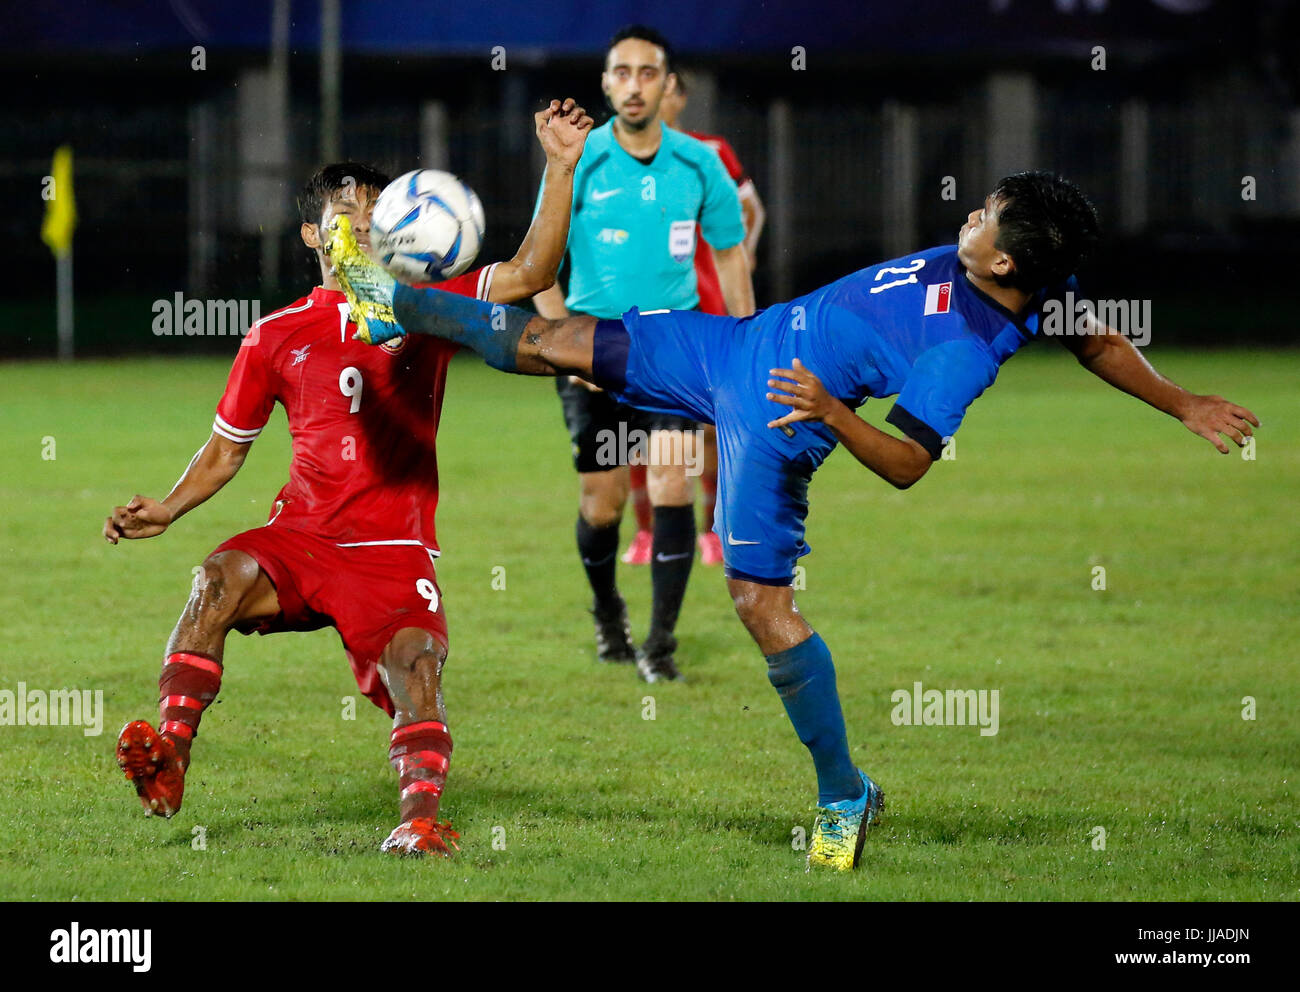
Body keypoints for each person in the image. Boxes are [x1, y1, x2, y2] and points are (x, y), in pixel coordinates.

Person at [326, 170, 1259, 870]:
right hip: (740, 342)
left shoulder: (961, 355)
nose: (968, 215)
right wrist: (1183, 404)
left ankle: (843, 795)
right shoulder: (1038, 286)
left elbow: (904, 465)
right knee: (550, 342)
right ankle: (387, 301)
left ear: (1005, 261)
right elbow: (1094, 334)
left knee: (758, 603)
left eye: (983, 217)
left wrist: (827, 408)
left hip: (778, 412)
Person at [103, 98, 594, 857]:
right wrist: (167, 509)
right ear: (311, 232)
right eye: (345, 211)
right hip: (301, 536)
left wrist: (560, 165)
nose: (361, 224)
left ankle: (421, 822)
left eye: (375, 211)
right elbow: (227, 448)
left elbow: (533, 268)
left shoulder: (424, 307)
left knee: (415, 667)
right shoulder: (275, 334)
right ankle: (170, 755)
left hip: (391, 545)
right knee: (215, 579)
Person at [531, 25, 756, 683]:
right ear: (606, 84)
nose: (633, 85)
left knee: (670, 483)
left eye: (647, 73)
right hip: (593, 353)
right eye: (621, 73)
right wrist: (571, 345)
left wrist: (742, 344)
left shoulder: (699, 164)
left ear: (668, 85)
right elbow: (537, 267)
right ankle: (609, 618)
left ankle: (659, 647)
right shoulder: (579, 162)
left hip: (673, 352)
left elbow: (731, 254)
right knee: (602, 505)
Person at [622, 68, 766, 568]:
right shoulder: (618, 156)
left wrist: (737, 263)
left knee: (708, 426)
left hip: (707, 309)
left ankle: (711, 530)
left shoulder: (710, 152)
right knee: (641, 428)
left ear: (679, 97)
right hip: (644, 314)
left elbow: (753, 212)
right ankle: (646, 531)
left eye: (664, 86)